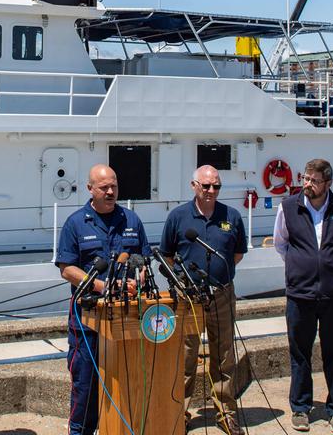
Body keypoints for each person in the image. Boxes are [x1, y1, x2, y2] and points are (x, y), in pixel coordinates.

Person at [55, 164, 149, 435]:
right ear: (90, 189)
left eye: (114, 186)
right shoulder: (75, 223)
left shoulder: (131, 221)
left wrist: (139, 279)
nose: (110, 191)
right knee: (85, 387)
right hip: (87, 322)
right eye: (104, 187)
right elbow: (67, 269)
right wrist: (101, 286)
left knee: (126, 384)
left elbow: (143, 261)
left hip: (125, 319)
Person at [160, 165, 249, 434]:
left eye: (216, 186)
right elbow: (167, 255)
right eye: (206, 186)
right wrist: (183, 283)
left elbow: (236, 254)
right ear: (194, 186)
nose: (211, 191)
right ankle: (180, 412)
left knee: (224, 355)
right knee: (186, 356)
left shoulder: (231, 216)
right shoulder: (178, 217)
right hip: (188, 295)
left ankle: (225, 412)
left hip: (221, 292)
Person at [273, 158, 333, 434]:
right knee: (300, 353)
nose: (308, 184)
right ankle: (300, 408)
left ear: (328, 183)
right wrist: (304, 266)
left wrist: (329, 268)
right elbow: (281, 244)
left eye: (314, 180)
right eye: (306, 178)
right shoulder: (289, 207)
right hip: (301, 294)